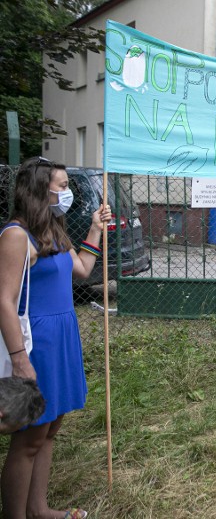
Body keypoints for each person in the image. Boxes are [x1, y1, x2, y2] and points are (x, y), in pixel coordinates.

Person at [0, 156, 111, 519]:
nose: (68, 193)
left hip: (63, 337)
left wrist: (95, 229)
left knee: (50, 428)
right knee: (30, 435)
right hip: (38, 344)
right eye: (62, 186)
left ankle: (39, 509)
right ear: (38, 188)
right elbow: (4, 300)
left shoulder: (53, 230)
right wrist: (19, 358)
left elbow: (81, 269)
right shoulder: (17, 235)